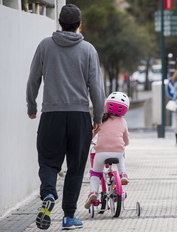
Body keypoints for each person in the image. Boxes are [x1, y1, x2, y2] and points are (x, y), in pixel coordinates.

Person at [26, 4, 105, 230]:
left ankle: (49, 194)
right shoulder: (88, 49)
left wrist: (31, 105)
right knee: (76, 167)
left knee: (48, 162)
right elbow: (96, 88)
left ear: (59, 22)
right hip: (79, 116)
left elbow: (33, 80)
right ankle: (69, 217)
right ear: (79, 24)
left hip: (52, 115)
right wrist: (98, 115)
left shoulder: (45, 46)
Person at [84, 92, 130, 209]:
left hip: (101, 152)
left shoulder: (101, 119)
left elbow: (91, 134)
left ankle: (93, 192)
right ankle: (122, 173)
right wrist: (123, 144)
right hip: (118, 151)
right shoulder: (123, 122)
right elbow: (126, 140)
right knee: (121, 155)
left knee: (95, 173)